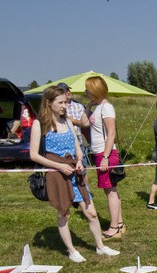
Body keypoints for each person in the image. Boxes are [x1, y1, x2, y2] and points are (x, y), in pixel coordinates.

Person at [29, 85, 119, 263]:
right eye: (61, 102)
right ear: (49, 103)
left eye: (66, 102)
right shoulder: (39, 124)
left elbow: (78, 148)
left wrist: (79, 161)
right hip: (57, 174)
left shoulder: (68, 122)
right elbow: (34, 155)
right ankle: (71, 250)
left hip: (75, 172)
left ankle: (100, 246)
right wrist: (58, 166)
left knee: (91, 212)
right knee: (64, 213)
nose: (65, 105)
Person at [85, 75, 125, 239]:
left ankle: (114, 227)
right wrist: (88, 106)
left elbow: (111, 133)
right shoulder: (98, 107)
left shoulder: (107, 108)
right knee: (111, 190)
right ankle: (120, 224)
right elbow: (84, 123)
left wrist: (106, 157)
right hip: (99, 153)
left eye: (88, 89)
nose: (86, 92)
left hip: (105, 153)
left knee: (111, 192)